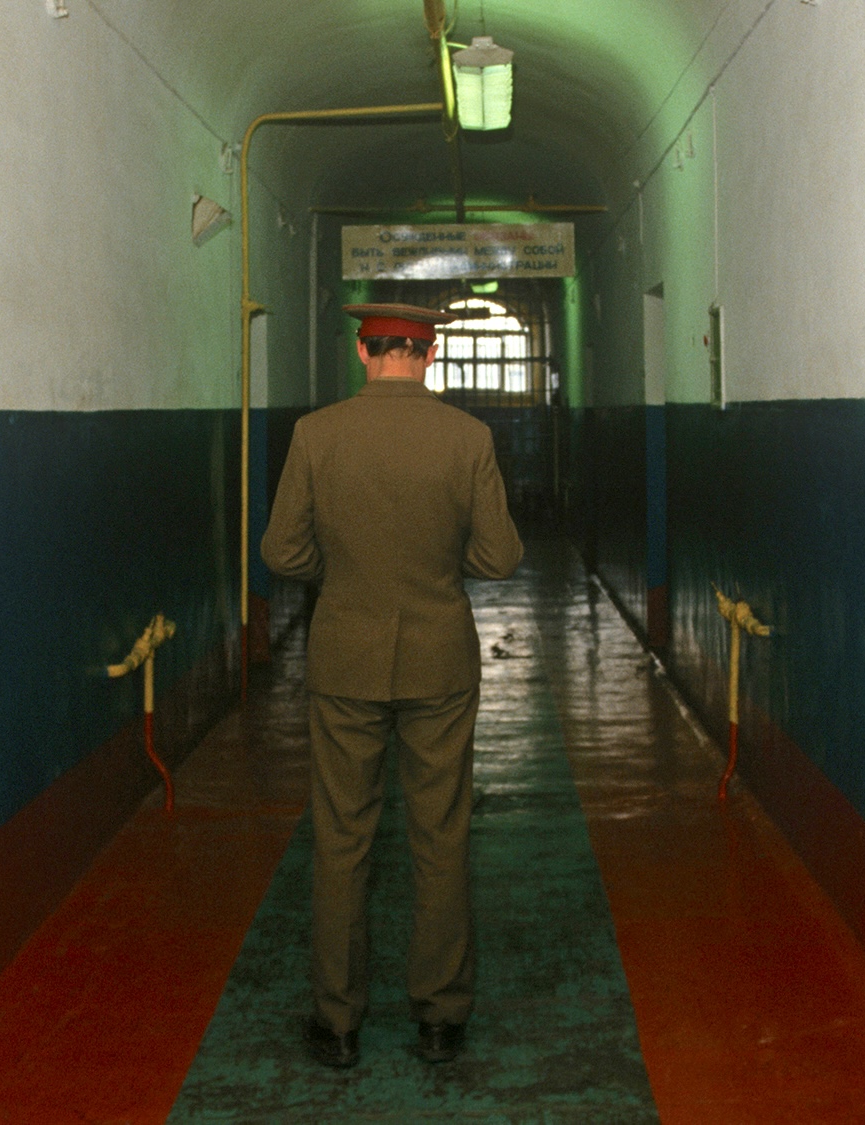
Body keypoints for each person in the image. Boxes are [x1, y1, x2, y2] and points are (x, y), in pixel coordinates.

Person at [260, 302, 524, 1068]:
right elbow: (501, 555)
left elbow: (282, 551)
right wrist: (440, 567)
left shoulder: (317, 434)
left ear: (362, 350)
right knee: (440, 835)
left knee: (342, 837)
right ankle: (440, 1018)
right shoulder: (467, 438)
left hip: (346, 655)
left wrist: (340, 575)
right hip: (439, 659)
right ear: (429, 353)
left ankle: (338, 1022)